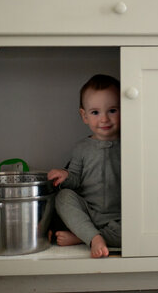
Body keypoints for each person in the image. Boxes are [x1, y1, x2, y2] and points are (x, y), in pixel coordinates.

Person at [48, 74, 121, 258]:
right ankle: (92, 235)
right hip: (89, 211)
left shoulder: (129, 146)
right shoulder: (82, 148)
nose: (104, 119)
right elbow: (75, 180)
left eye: (112, 110)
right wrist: (65, 176)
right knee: (63, 197)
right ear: (84, 116)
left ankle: (85, 236)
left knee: (136, 233)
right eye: (95, 112)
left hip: (120, 216)